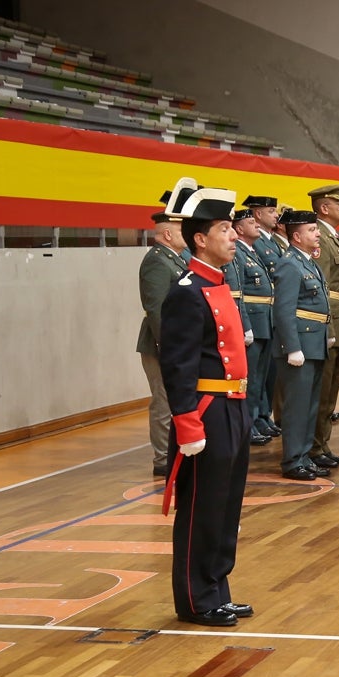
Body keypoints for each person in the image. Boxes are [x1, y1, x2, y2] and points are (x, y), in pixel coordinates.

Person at [160, 187, 253, 628]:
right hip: (206, 408)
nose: (233, 236)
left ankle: (218, 587)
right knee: (201, 506)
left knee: (226, 504)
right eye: (223, 229)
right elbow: (176, 365)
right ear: (200, 238)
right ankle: (196, 598)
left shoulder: (218, 283)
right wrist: (187, 424)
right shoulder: (186, 290)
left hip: (232, 403)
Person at [137, 177, 198, 476]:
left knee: (176, 398)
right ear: (166, 234)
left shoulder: (175, 259)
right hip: (161, 343)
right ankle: (162, 458)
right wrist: (170, 346)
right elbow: (157, 310)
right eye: (179, 229)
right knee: (163, 402)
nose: (185, 233)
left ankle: (175, 450)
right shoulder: (157, 263)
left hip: (177, 342)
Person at [271, 209, 330, 481]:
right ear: (296, 236)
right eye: (311, 230)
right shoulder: (289, 264)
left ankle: (305, 456)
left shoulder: (308, 262)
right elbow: (284, 310)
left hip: (314, 343)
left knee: (310, 404)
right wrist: (292, 347)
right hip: (300, 347)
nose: (317, 234)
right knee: (297, 406)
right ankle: (293, 460)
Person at [308, 184, 339, 471]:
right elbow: (320, 285)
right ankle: (314, 446)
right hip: (330, 320)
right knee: (322, 390)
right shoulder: (320, 236)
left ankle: (322, 444)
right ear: (324, 208)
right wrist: (328, 326)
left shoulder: (331, 236)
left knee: (331, 389)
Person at [232, 205, 274, 446]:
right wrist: (245, 324)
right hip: (253, 321)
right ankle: (248, 424)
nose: (256, 225)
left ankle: (258, 418)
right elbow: (240, 294)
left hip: (263, 320)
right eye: (250, 222)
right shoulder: (237, 252)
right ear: (240, 228)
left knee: (260, 376)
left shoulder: (251, 250)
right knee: (250, 377)